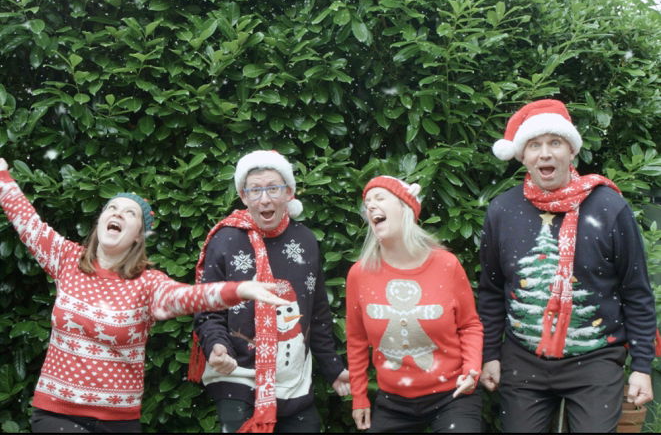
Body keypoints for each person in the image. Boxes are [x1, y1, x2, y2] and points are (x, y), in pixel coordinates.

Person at [0, 157, 288, 433]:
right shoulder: (67, 259)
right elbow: (27, 221)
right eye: (112, 208)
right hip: (57, 413)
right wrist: (2, 176)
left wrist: (238, 289)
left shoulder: (147, 284)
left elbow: (186, 297)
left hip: (119, 421)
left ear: (138, 235)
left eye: (130, 213)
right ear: (100, 221)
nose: (117, 213)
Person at [478, 99, 659, 432]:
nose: (545, 154)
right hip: (523, 358)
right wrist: (490, 355)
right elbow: (491, 291)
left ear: (572, 150)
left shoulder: (609, 208)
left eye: (555, 143)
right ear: (523, 156)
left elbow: (636, 292)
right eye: (535, 145)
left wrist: (642, 367)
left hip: (596, 358)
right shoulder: (502, 211)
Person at [190, 150, 350, 433]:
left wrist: (334, 369)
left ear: (288, 192)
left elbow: (317, 314)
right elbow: (208, 310)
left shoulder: (305, 241)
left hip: (293, 380)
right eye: (255, 190)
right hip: (236, 375)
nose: (264, 199)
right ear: (243, 196)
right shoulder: (225, 240)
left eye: (273, 188)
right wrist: (217, 347)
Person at [346, 175, 483, 433]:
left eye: (380, 198)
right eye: (367, 202)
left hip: (453, 394)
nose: (371, 206)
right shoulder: (359, 274)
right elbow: (356, 340)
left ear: (405, 207)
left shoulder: (447, 265)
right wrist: (359, 396)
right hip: (393, 402)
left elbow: (469, 325)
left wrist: (471, 370)